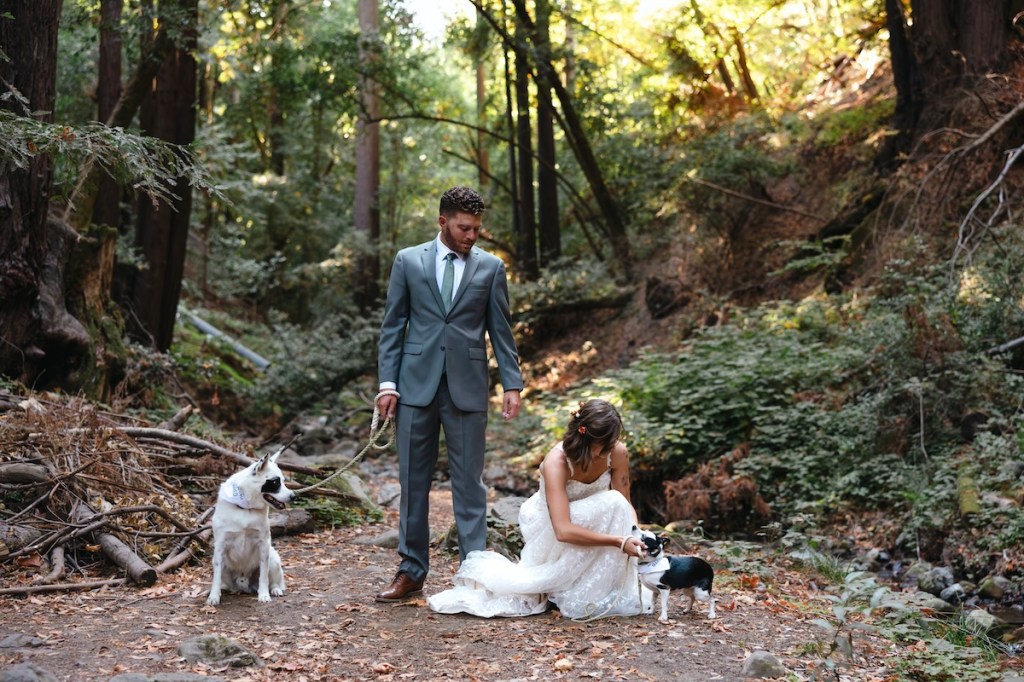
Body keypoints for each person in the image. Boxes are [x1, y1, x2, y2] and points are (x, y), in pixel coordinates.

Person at [375, 185, 524, 603]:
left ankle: (474, 572)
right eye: (464, 227)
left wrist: (511, 382)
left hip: (469, 387)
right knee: (412, 482)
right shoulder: (408, 261)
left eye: (477, 228)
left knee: (470, 485)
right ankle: (411, 570)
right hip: (413, 386)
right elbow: (393, 327)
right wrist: (388, 384)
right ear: (443, 222)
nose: (472, 235)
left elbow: (501, 329)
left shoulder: (491, 268)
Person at [427, 399, 652, 619]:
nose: (603, 453)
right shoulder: (558, 461)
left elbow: (625, 504)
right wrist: (618, 541)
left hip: (599, 518)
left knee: (614, 503)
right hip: (552, 525)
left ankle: (599, 586)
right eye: (600, 446)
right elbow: (563, 530)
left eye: (609, 445)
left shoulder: (617, 452)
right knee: (611, 503)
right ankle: (567, 586)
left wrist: (634, 533)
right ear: (583, 437)